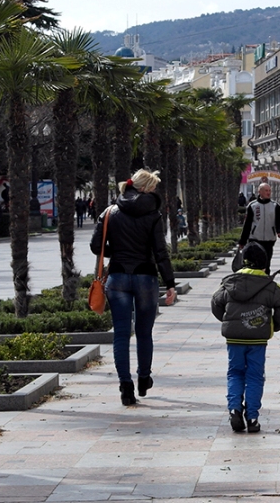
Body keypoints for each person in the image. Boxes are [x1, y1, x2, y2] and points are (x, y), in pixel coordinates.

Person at [90, 169, 177, 406]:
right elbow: (160, 251)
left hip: (117, 277)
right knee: (144, 332)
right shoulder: (154, 215)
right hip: (145, 277)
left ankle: (125, 386)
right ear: (146, 188)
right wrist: (170, 284)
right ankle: (143, 378)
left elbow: (95, 245)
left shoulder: (110, 212)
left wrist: (116, 252)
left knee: (120, 333)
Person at [211, 242, 280, 434]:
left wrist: (229, 321)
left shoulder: (229, 283)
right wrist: (271, 325)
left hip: (234, 339)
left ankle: (234, 409)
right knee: (255, 376)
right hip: (257, 340)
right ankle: (253, 417)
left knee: (235, 373)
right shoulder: (270, 286)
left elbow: (216, 303)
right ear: (264, 264)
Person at [238, 182, 280, 274]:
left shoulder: (275, 206)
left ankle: (266, 282)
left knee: (266, 263)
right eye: (266, 190)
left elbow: (279, 221)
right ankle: (255, 281)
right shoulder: (252, 206)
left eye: (269, 190)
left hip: (269, 240)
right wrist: (242, 241)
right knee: (255, 263)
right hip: (255, 240)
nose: (268, 192)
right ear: (260, 192)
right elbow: (247, 225)